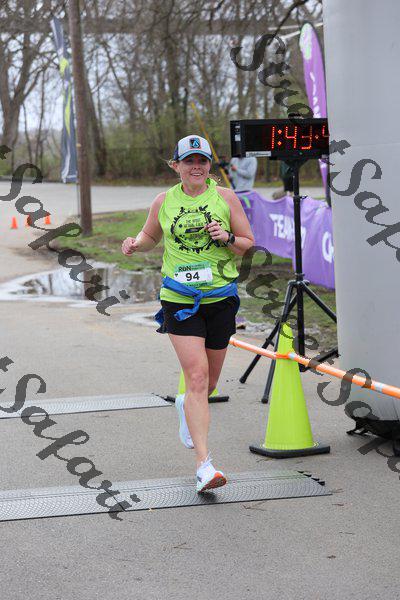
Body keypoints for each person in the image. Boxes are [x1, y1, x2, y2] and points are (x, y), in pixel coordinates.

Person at [121, 134, 254, 493]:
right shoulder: (163, 201)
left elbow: (248, 245)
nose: (196, 166)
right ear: (175, 165)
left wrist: (227, 237)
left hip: (220, 298)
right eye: (189, 160)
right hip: (179, 299)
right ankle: (204, 466)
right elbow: (150, 237)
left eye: (202, 160)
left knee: (208, 384)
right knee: (196, 376)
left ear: (210, 165)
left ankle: (185, 406)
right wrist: (135, 243)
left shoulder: (226, 198)